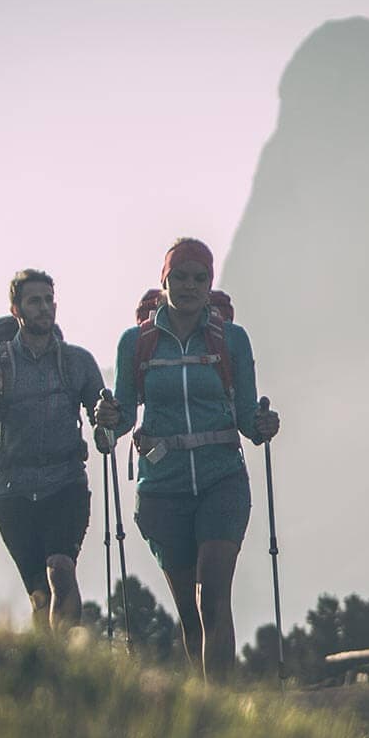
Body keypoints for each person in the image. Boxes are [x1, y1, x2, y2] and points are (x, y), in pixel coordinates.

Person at [94, 238, 279, 680]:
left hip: (222, 480)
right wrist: (107, 420)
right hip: (162, 489)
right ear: (164, 280)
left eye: (200, 278)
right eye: (181, 277)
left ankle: (221, 706)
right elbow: (119, 421)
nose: (190, 286)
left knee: (212, 595)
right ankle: (205, 705)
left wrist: (263, 424)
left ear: (211, 282)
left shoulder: (231, 339)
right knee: (189, 611)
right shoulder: (135, 344)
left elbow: (246, 418)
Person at [0, 269, 104, 631]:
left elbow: (105, 421)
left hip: (66, 484)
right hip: (15, 491)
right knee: (39, 594)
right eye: (34, 301)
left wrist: (109, 419)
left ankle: (70, 657)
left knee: (60, 569)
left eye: (48, 300)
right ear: (16, 310)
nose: (44, 308)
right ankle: (49, 669)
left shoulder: (78, 362)